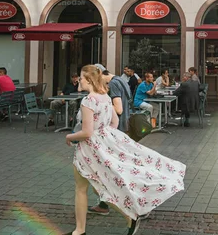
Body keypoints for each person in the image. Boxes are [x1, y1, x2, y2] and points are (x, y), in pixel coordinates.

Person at [65, 64, 185, 235]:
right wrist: (106, 136)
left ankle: (81, 230)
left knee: (82, 188)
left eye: (82, 78)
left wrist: (69, 137)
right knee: (97, 187)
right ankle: (127, 217)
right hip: (102, 144)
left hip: (88, 150)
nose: (79, 80)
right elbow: (114, 122)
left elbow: (86, 132)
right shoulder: (104, 97)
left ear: (89, 79)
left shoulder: (88, 100)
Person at [88, 64, 133, 216]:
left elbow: (118, 108)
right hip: (123, 127)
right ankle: (104, 204)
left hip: (115, 131)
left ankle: (132, 205)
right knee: (110, 169)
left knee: (111, 170)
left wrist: (102, 104)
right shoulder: (121, 80)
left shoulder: (113, 84)